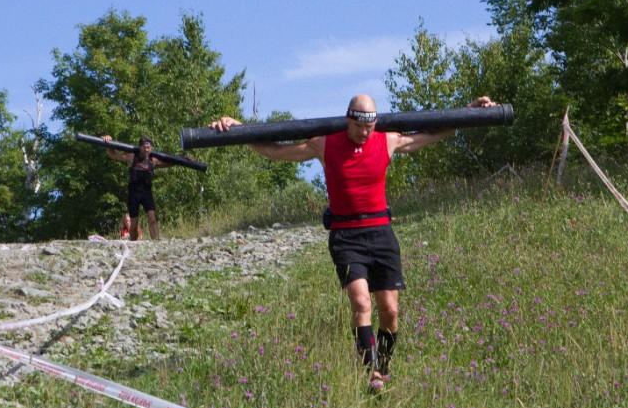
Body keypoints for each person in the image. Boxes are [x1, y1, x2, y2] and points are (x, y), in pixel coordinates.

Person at [209, 94, 497, 388]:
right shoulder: (325, 143)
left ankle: (383, 366)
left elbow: (433, 133)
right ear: (349, 118)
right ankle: (371, 373)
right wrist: (239, 130)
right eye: (360, 126)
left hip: (382, 233)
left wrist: (470, 111)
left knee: (390, 311)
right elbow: (276, 151)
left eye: (371, 126)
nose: (365, 132)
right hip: (346, 236)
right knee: (360, 302)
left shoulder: (387, 140)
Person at [101, 135, 173, 240]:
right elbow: (113, 155)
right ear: (140, 147)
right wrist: (109, 143)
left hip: (146, 192)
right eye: (144, 147)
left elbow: (170, 163)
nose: (147, 149)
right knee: (133, 224)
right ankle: (133, 244)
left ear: (151, 148)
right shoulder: (131, 157)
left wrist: (185, 160)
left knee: (152, 218)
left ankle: (156, 242)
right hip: (133, 193)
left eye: (149, 147)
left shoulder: (153, 160)